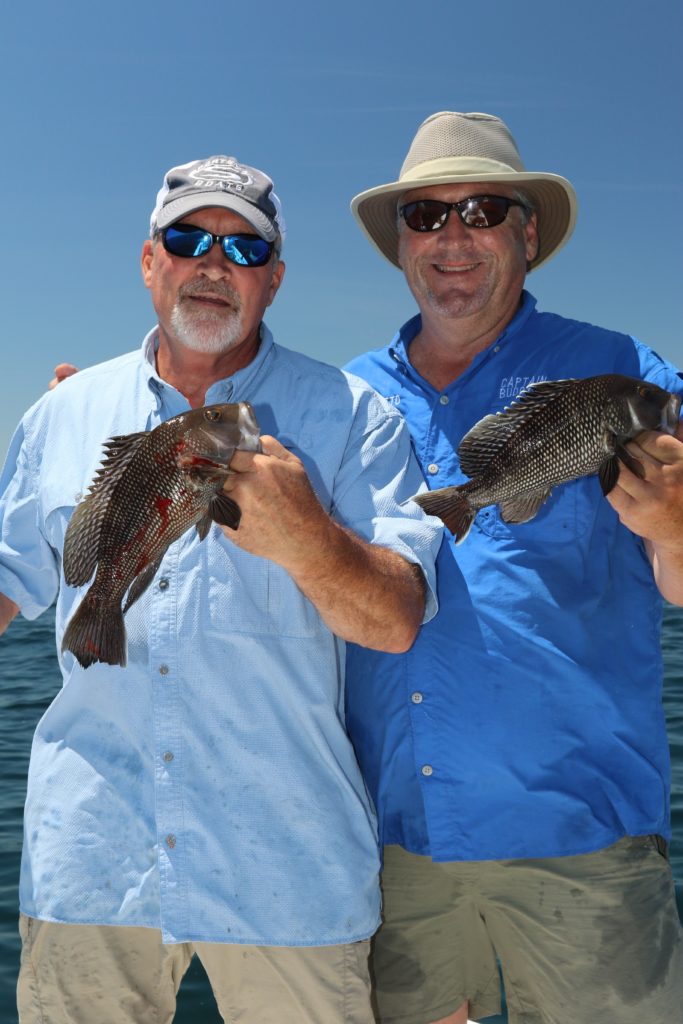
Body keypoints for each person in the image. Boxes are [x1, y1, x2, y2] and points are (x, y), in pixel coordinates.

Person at [0, 154, 443, 1024]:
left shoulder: (351, 417)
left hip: (291, 872)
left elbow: (394, 621)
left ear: (273, 280)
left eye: (243, 250)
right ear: (149, 260)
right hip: (94, 861)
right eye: (187, 238)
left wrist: (305, 534)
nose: (213, 263)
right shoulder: (63, 412)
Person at [344, 111, 683, 1024]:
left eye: (483, 209)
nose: (452, 237)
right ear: (400, 244)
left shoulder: (618, 371)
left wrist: (677, 520)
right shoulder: (342, 396)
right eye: (426, 216)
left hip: (584, 849)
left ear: (525, 234)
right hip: (396, 853)